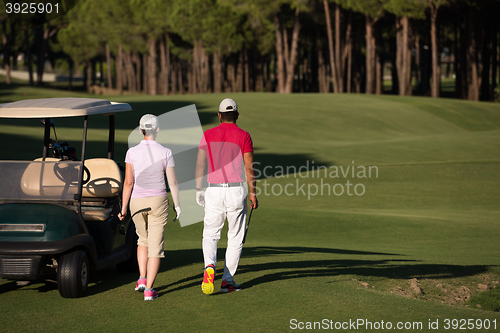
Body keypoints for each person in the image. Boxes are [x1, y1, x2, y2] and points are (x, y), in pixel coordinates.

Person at [195, 98, 258, 294]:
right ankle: (227, 280)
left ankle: (210, 267)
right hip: (236, 190)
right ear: (237, 115)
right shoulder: (244, 135)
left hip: (213, 190)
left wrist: (198, 189)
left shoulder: (208, 134)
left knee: (211, 234)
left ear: (219, 115)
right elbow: (249, 168)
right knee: (235, 238)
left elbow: (200, 165)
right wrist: (253, 193)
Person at [118, 114, 181, 301]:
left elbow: (128, 183)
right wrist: (177, 205)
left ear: (140, 130)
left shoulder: (132, 152)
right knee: (156, 247)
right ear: (158, 130)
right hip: (158, 201)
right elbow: (173, 182)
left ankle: (142, 279)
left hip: (136, 201)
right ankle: (149, 290)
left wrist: (123, 209)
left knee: (142, 240)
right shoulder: (166, 152)